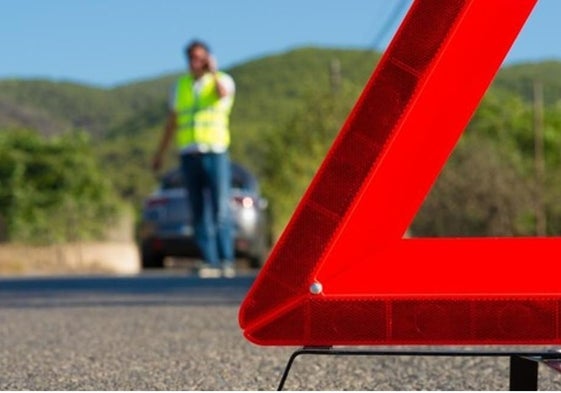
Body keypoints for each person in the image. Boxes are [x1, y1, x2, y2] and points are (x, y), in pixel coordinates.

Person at [152, 40, 236, 278]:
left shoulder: (222, 80)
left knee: (220, 207)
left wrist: (213, 72)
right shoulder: (181, 87)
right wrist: (160, 153)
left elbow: (222, 95)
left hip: (215, 151)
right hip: (189, 154)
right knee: (198, 210)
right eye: (191, 58)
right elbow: (172, 122)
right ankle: (209, 260)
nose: (195, 62)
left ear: (208, 58)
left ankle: (226, 260)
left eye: (200, 58)